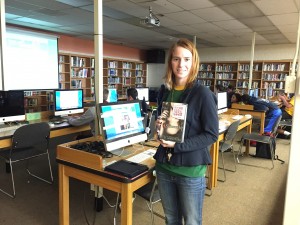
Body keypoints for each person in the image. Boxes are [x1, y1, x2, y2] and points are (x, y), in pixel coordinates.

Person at [154, 38, 219, 225]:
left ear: (194, 62)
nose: (181, 64)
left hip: (190, 170)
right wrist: (158, 127)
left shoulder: (203, 94)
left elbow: (211, 134)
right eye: (176, 59)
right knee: (171, 219)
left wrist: (178, 145)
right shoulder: (164, 91)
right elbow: (163, 123)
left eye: (186, 59)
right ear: (170, 62)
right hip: (164, 167)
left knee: (191, 221)